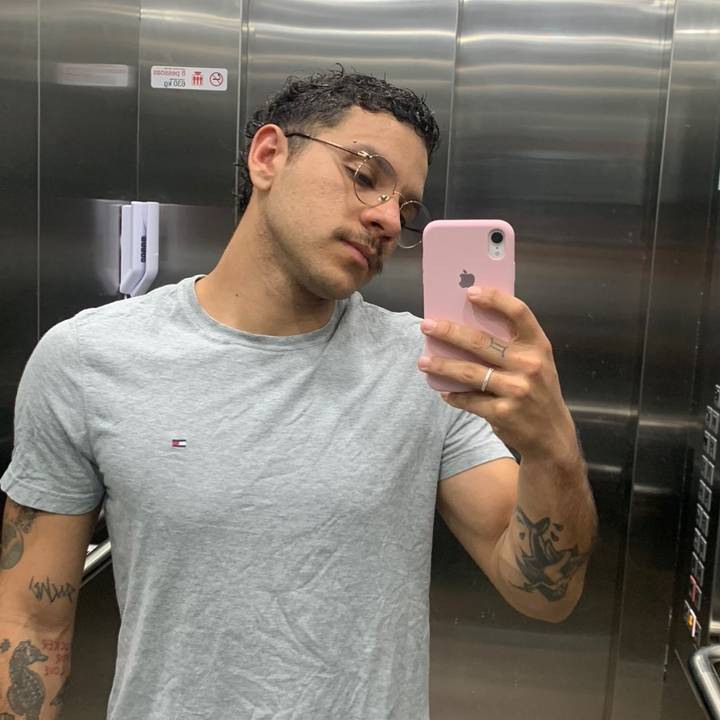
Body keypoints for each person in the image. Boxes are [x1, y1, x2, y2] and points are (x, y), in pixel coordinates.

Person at [0, 67, 597, 720]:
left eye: (406, 209)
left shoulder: (427, 368)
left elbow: (545, 592)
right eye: (364, 173)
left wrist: (553, 449)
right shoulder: (87, 360)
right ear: (268, 157)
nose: (386, 219)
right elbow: (30, 622)